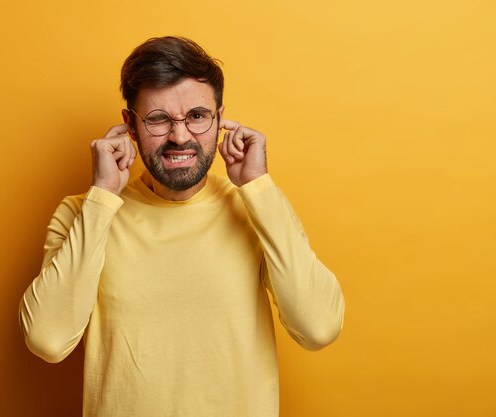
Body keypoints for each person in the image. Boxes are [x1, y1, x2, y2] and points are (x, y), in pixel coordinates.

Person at [19, 36, 345, 417]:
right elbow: (48, 339)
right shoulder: (85, 212)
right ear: (131, 126)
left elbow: (319, 327)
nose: (180, 136)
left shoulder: (257, 206)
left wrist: (257, 187)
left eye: (197, 116)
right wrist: (103, 195)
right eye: (158, 119)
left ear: (220, 118)